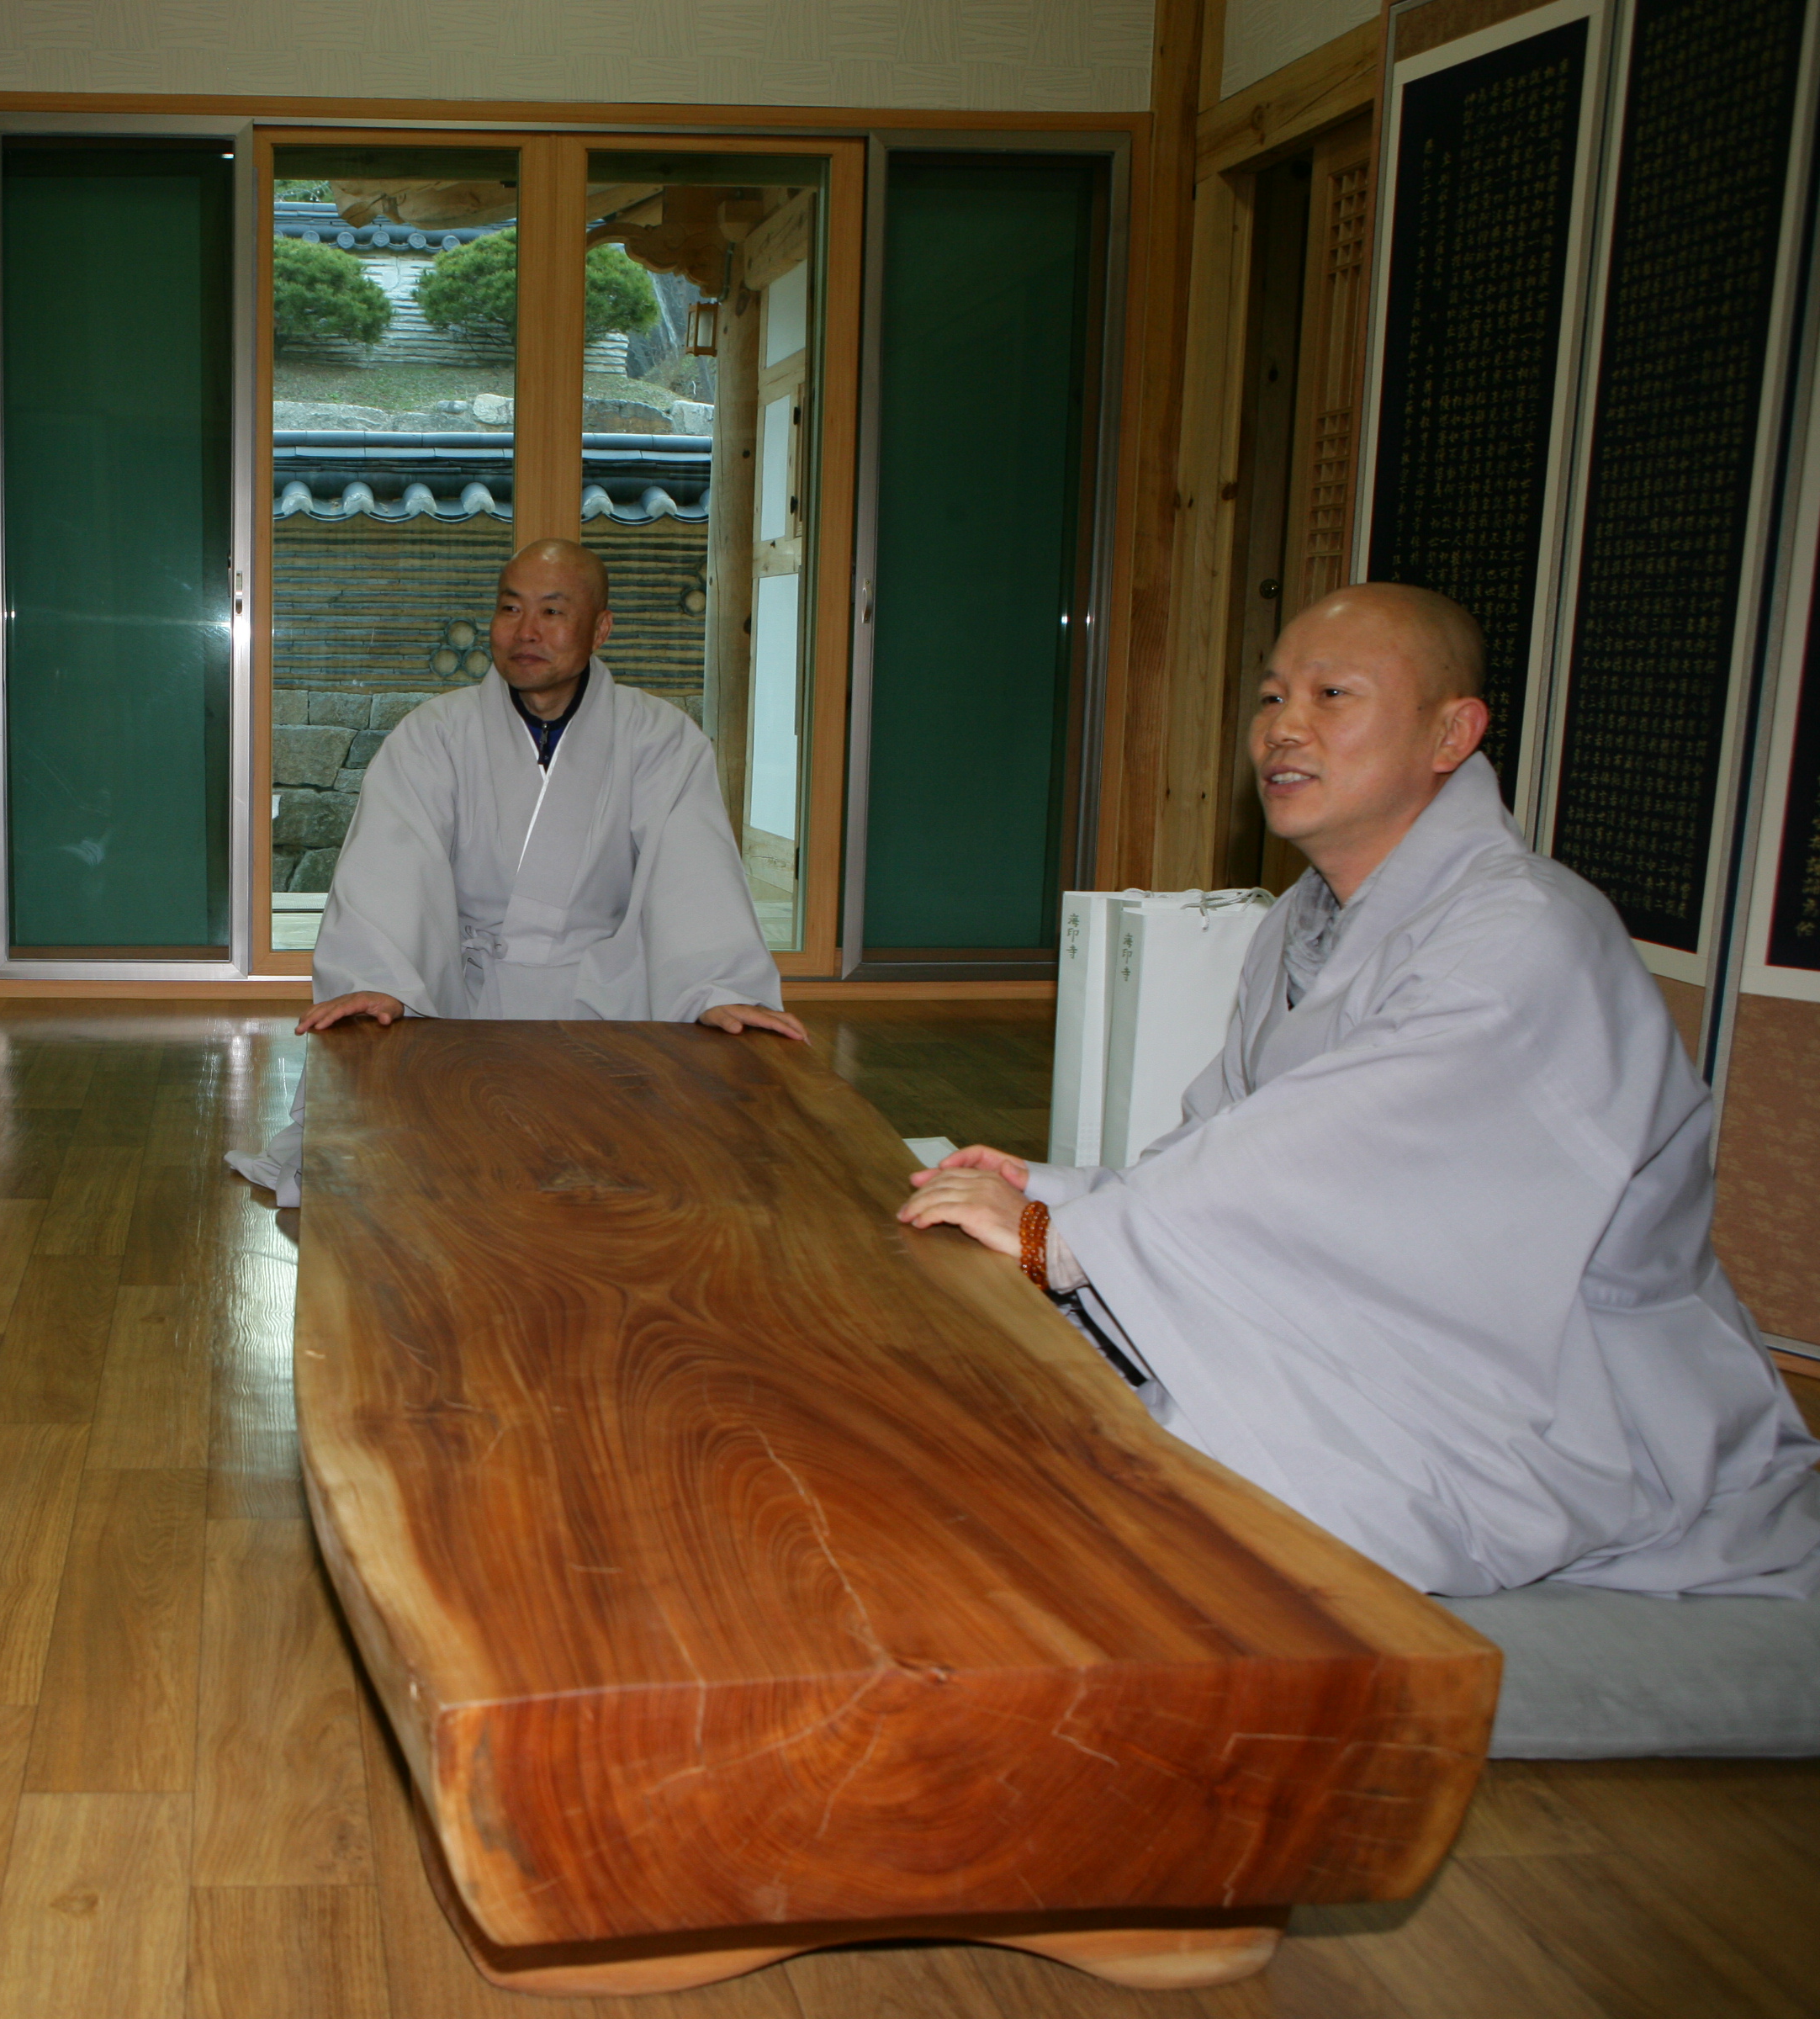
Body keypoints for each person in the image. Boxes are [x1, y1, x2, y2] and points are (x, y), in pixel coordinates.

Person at [900, 582, 1819, 1599]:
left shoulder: (1525, 933)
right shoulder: (1302, 922)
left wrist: (1060, 1239)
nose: (1284, 729)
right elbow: (1228, 1136)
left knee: (1157, 1510)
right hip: (1389, 1310)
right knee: (1052, 1416)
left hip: (1559, 1375)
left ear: (1450, 734)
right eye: (1268, 698)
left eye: (1333, 695)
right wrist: (1062, 1190)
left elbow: (1339, 1157)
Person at [228, 540, 805, 1206]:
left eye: (553, 611)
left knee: (650, 1184)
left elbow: (694, 875)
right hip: (461, 1003)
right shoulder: (434, 736)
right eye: (509, 608)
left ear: (601, 628)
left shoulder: (660, 740)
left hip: (607, 1007)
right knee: (419, 1189)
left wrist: (715, 984)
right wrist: (378, 979)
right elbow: (392, 865)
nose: (525, 631)